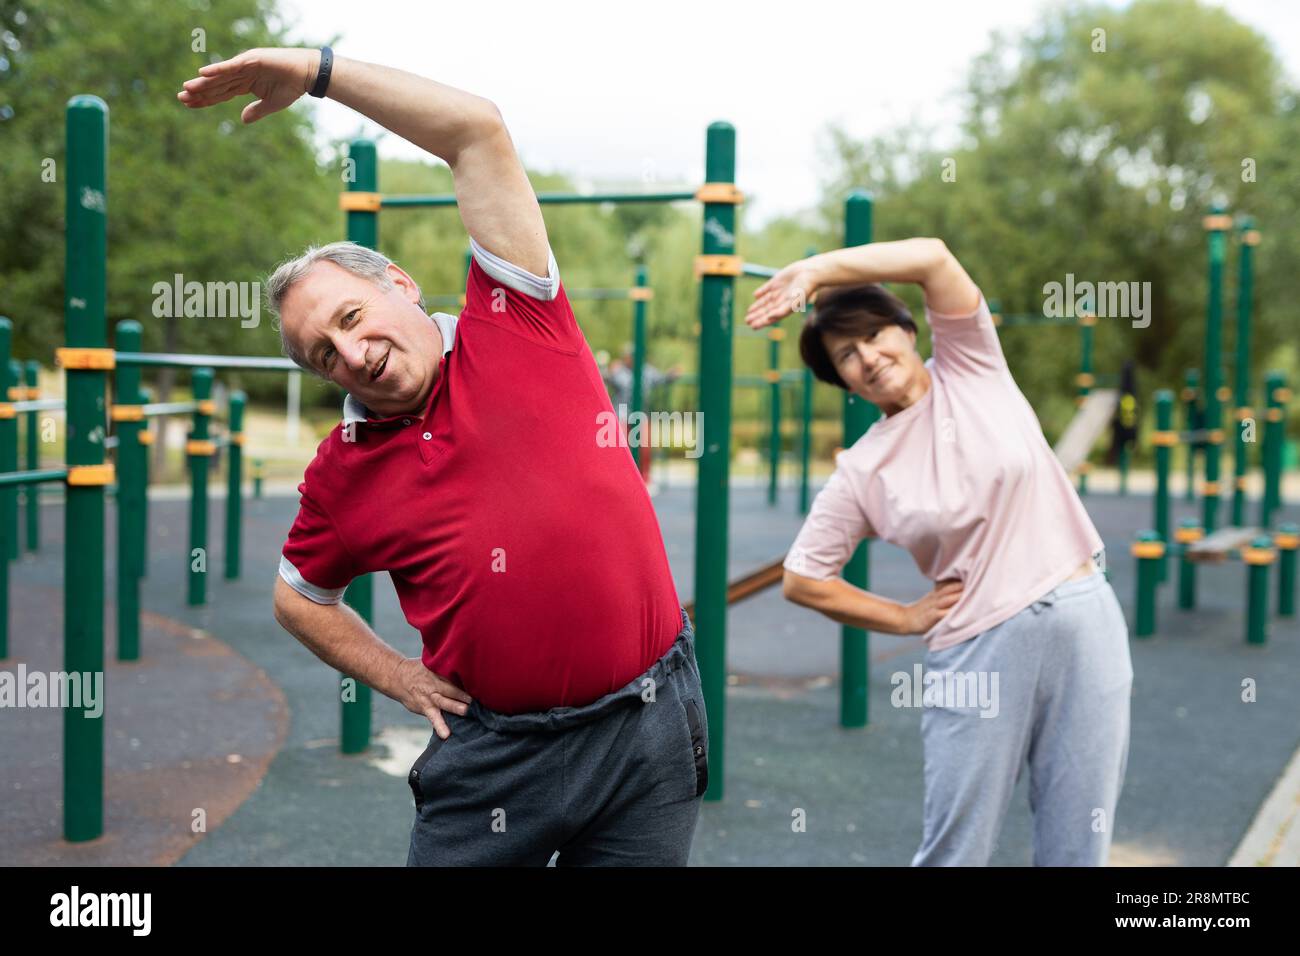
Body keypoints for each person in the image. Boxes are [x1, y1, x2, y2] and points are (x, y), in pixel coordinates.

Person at [179, 47, 708, 866]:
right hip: (499, 758)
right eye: (324, 353)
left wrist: (316, 71)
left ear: (399, 281)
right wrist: (400, 676)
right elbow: (299, 599)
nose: (350, 352)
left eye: (352, 317)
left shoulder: (517, 318)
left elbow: (476, 131)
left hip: (649, 726)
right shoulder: (342, 472)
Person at [745, 238, 1132, 866]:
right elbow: (803, 578)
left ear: (908, 329)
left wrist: (816, 272)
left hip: (1084, 616)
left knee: (1078, 842)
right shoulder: (864, 468)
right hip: (980, 648)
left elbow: (932, 258)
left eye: (874, 336)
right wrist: (903, 617)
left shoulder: (973, 366)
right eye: (846, 355)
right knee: (957, 849)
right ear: (840, 380)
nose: (867, 358)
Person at [602, 346, 683, 485]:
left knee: (644, 445)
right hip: (621, 412)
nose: (631, 359)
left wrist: (671, 375)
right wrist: (608, 370)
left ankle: (644, 478)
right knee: (619, 444)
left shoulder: (647, 371)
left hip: (640, 413)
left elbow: (661, 379)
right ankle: (620, 477)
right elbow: (603, 379)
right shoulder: (619, 371)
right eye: (629, 356)